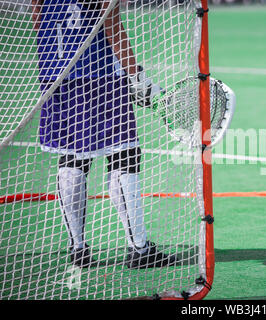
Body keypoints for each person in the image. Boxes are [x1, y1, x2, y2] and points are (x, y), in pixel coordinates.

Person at [31, 0, 175, 268]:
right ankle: (139, 249)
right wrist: (137, 77)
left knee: (72, 158)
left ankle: (78, 248)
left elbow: (37, 13)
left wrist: (51, 61)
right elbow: (112, 22)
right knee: (125, 155)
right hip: (101, 74)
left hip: (55, 72)